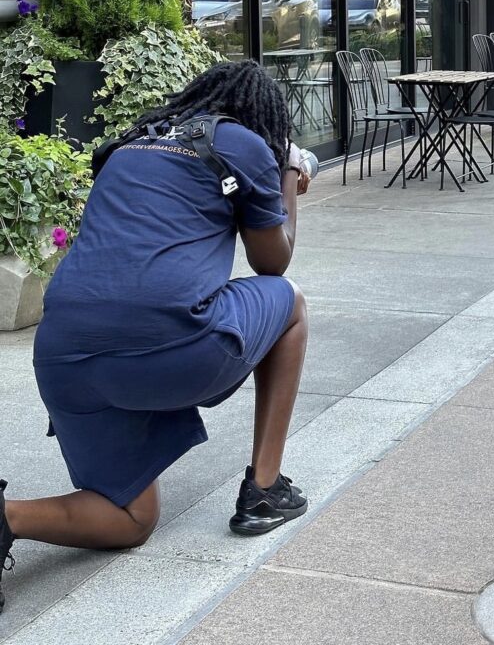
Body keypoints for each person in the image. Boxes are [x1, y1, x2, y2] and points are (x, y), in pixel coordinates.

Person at [0, 60, 313, 614]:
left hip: (63, 357)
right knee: (291, 307)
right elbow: (274, 262)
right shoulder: (243, 145)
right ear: (262, 116)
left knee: (131, 519)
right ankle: (265, 490)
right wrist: (286, 172)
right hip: (169, 346)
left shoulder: (132, 144)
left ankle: (8, 519)